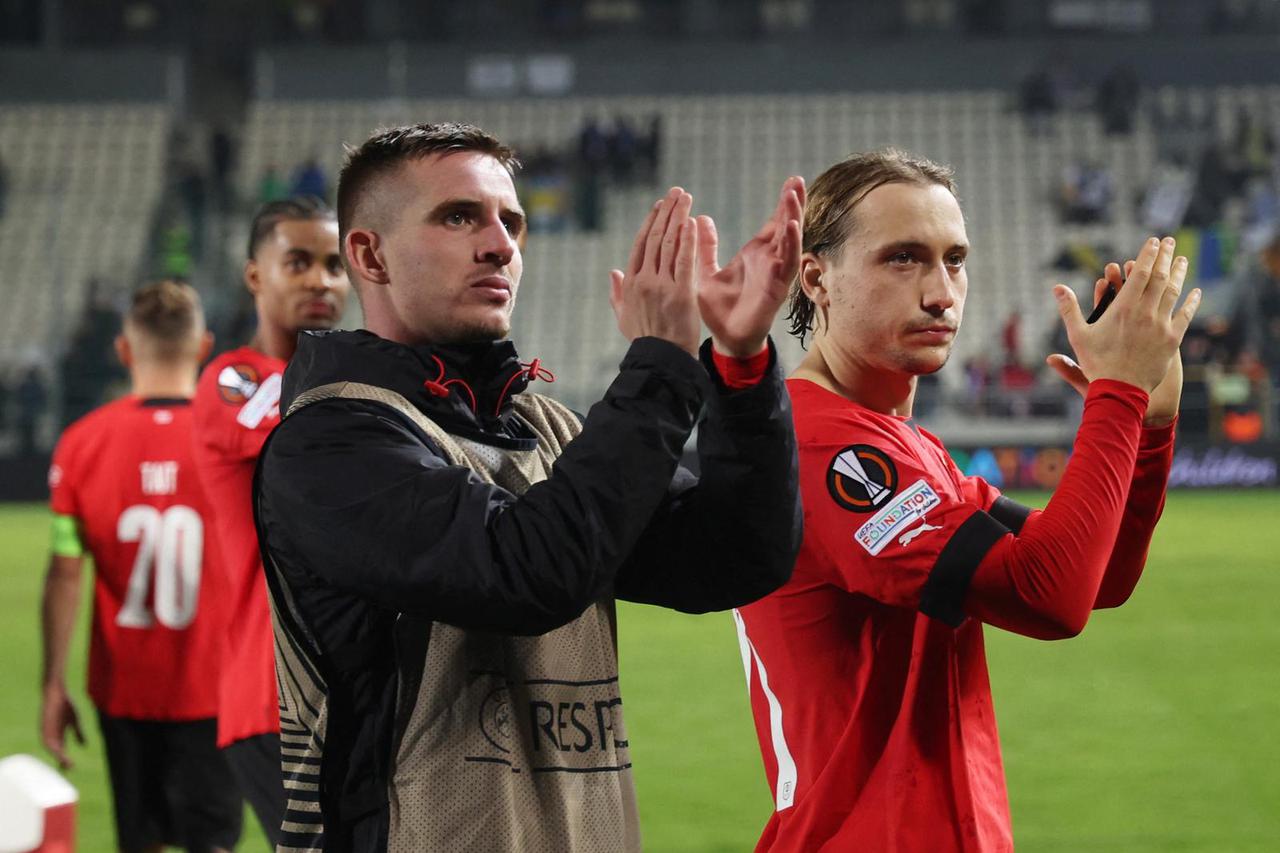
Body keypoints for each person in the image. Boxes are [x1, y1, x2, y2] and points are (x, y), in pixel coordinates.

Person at [252, 122, 805, 852]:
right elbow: (526, 572)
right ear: (369, 253)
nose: (499, 243)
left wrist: (737, 364)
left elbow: (737, 554)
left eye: (511, 221)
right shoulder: (329, 443)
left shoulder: (546, 430)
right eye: (458, 216)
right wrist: (661, 367)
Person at [732, 149, 1201, 852]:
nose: (941, 292)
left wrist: (1149, 425)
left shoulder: (903, 448)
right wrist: (1117, 395)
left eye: (955, 259)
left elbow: (1095, 577)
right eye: (903, 259)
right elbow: (1049, 597)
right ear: (816, 277)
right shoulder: (820, 447)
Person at [40, 281, 241, 853]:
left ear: (124, 351)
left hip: (124, 691)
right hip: (216, 691)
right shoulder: (234, 444)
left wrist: (54, 683)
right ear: (203, 347)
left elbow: (65, 570)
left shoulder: (80, 445)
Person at [191, 196, 350, 845]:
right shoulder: (234, 379)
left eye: (335, 264)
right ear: (256, 275)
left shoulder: (352, 383)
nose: (321, 280)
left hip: (346, 686)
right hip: (274, 692)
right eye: (300, 262)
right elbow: (315, 434)